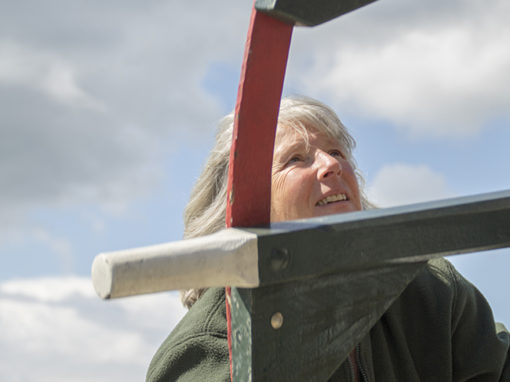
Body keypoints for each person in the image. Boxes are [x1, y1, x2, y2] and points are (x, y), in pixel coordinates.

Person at [147, 96, 510, 381]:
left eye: (336, 152)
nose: (331, 164)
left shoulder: (429, 287)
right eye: (296, 159)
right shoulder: (209, 350)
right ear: (242, 205)